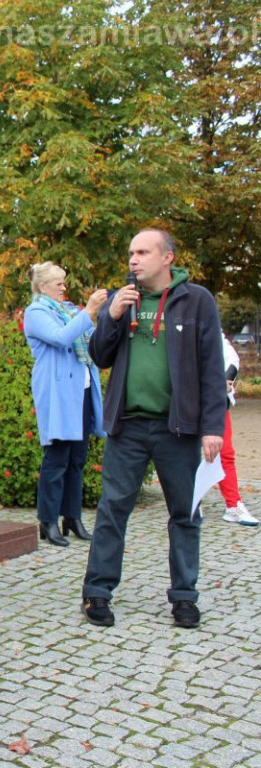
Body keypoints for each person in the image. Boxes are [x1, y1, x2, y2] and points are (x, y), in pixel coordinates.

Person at [81, 228, 225, 629]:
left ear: (168, 258)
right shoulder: (120, 300)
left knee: (185, 513)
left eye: (143, 252)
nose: (134, 259)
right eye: (131, 252)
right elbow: (99, 356)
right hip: (127, 426)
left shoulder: (196, 301)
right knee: (113, 510)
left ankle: (184, 597)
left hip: (178, 429)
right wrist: (109, 316)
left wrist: (214, 426)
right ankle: (97, 593)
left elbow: (212, 368)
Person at [23, 263, 108, 547]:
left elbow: (87, 338)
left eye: (63, 282)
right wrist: (89, 311)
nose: (64, 287)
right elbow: (61, 338)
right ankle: (47, 521)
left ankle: (72, 517)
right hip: (58, 392)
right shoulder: (36, 312)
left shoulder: (69, 310)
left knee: (77, 458)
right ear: (43, 286)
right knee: (57, 458)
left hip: (81, 389)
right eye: (58, 283)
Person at [218, 334, 258, 525]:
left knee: (225, 454)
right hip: (188, 401)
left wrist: (226, 378)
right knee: (187, 455)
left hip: (216, 402)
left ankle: (233, 505)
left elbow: (232, 357)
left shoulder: (212, 328)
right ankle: (190, 504)